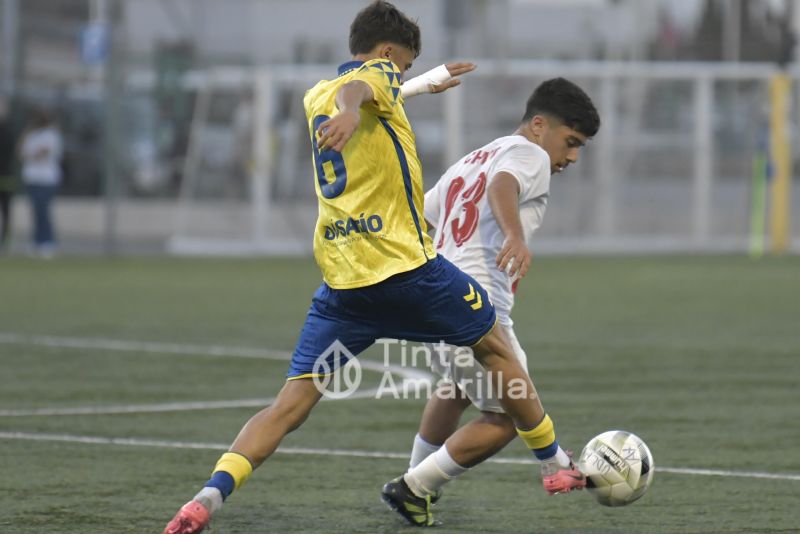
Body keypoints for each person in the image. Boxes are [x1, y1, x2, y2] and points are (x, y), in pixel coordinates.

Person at [165, 3, 584, 533]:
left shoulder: (315, 96)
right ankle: (553, 465)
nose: (399, 78)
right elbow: (362, 89)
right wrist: (355, 104)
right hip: (408, 273)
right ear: (389, 54)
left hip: (344, 285)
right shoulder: (366, 84)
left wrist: (419, 84)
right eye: (404, 66)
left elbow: (363, 92)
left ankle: (206, 498)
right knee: (495, 348)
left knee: (288, 408)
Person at [383, 77, 600, 526]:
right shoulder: (529, 154)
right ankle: (415, 487)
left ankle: (413, 477)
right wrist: (516, 236)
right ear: (539, 125)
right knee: (507, 415)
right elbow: (503, 185)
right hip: (476, 306)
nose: (572, 157)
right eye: (571, 142)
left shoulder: (471, 160)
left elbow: (419, 217)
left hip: (435, 298)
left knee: (457, 388)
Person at [18, 107, 63, 257]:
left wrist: (32, 154)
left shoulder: (52, 135)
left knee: (43, 211)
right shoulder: (31, 135)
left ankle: (47, 242)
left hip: (46, 179)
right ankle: (37, 241)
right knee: (35, 211)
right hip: (32, 178)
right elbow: (22, 152)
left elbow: (42, 153)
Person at [0, 96, 16, 251]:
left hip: (5, 176)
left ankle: (5, 240)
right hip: (6, 175)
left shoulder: (9, 131)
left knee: (6, 210)